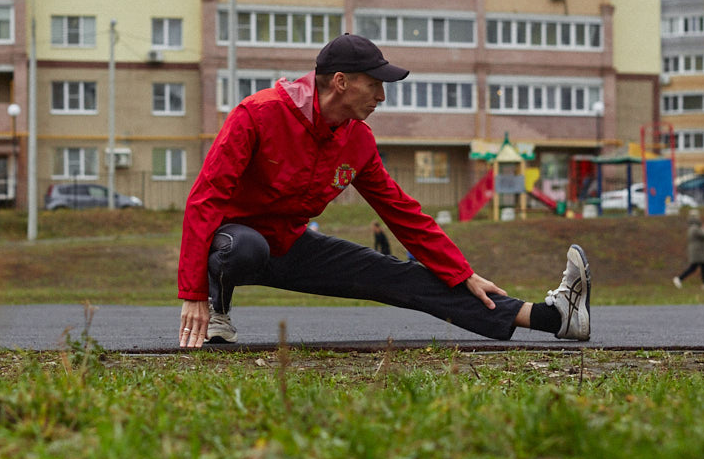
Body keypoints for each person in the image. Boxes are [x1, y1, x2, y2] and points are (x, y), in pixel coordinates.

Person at [178, 33, 592, 348]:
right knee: (246, 247)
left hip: (289, 244)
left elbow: (401, 211)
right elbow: (205, 200)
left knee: (399, 274)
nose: (382, 95)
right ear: (340, 82)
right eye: (374, 83)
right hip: (233, 242)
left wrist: (460, 272)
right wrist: (194, 292)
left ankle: (552, 318)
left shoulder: (356, 140)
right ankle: (217, 309)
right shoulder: (259, 114)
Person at [673, 209, 704, 290]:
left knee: (703, 266)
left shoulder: (692, 227)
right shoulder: (695, 228)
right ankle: (679, 279)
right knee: (694, 268)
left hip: (697, 251)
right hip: (698, 251)